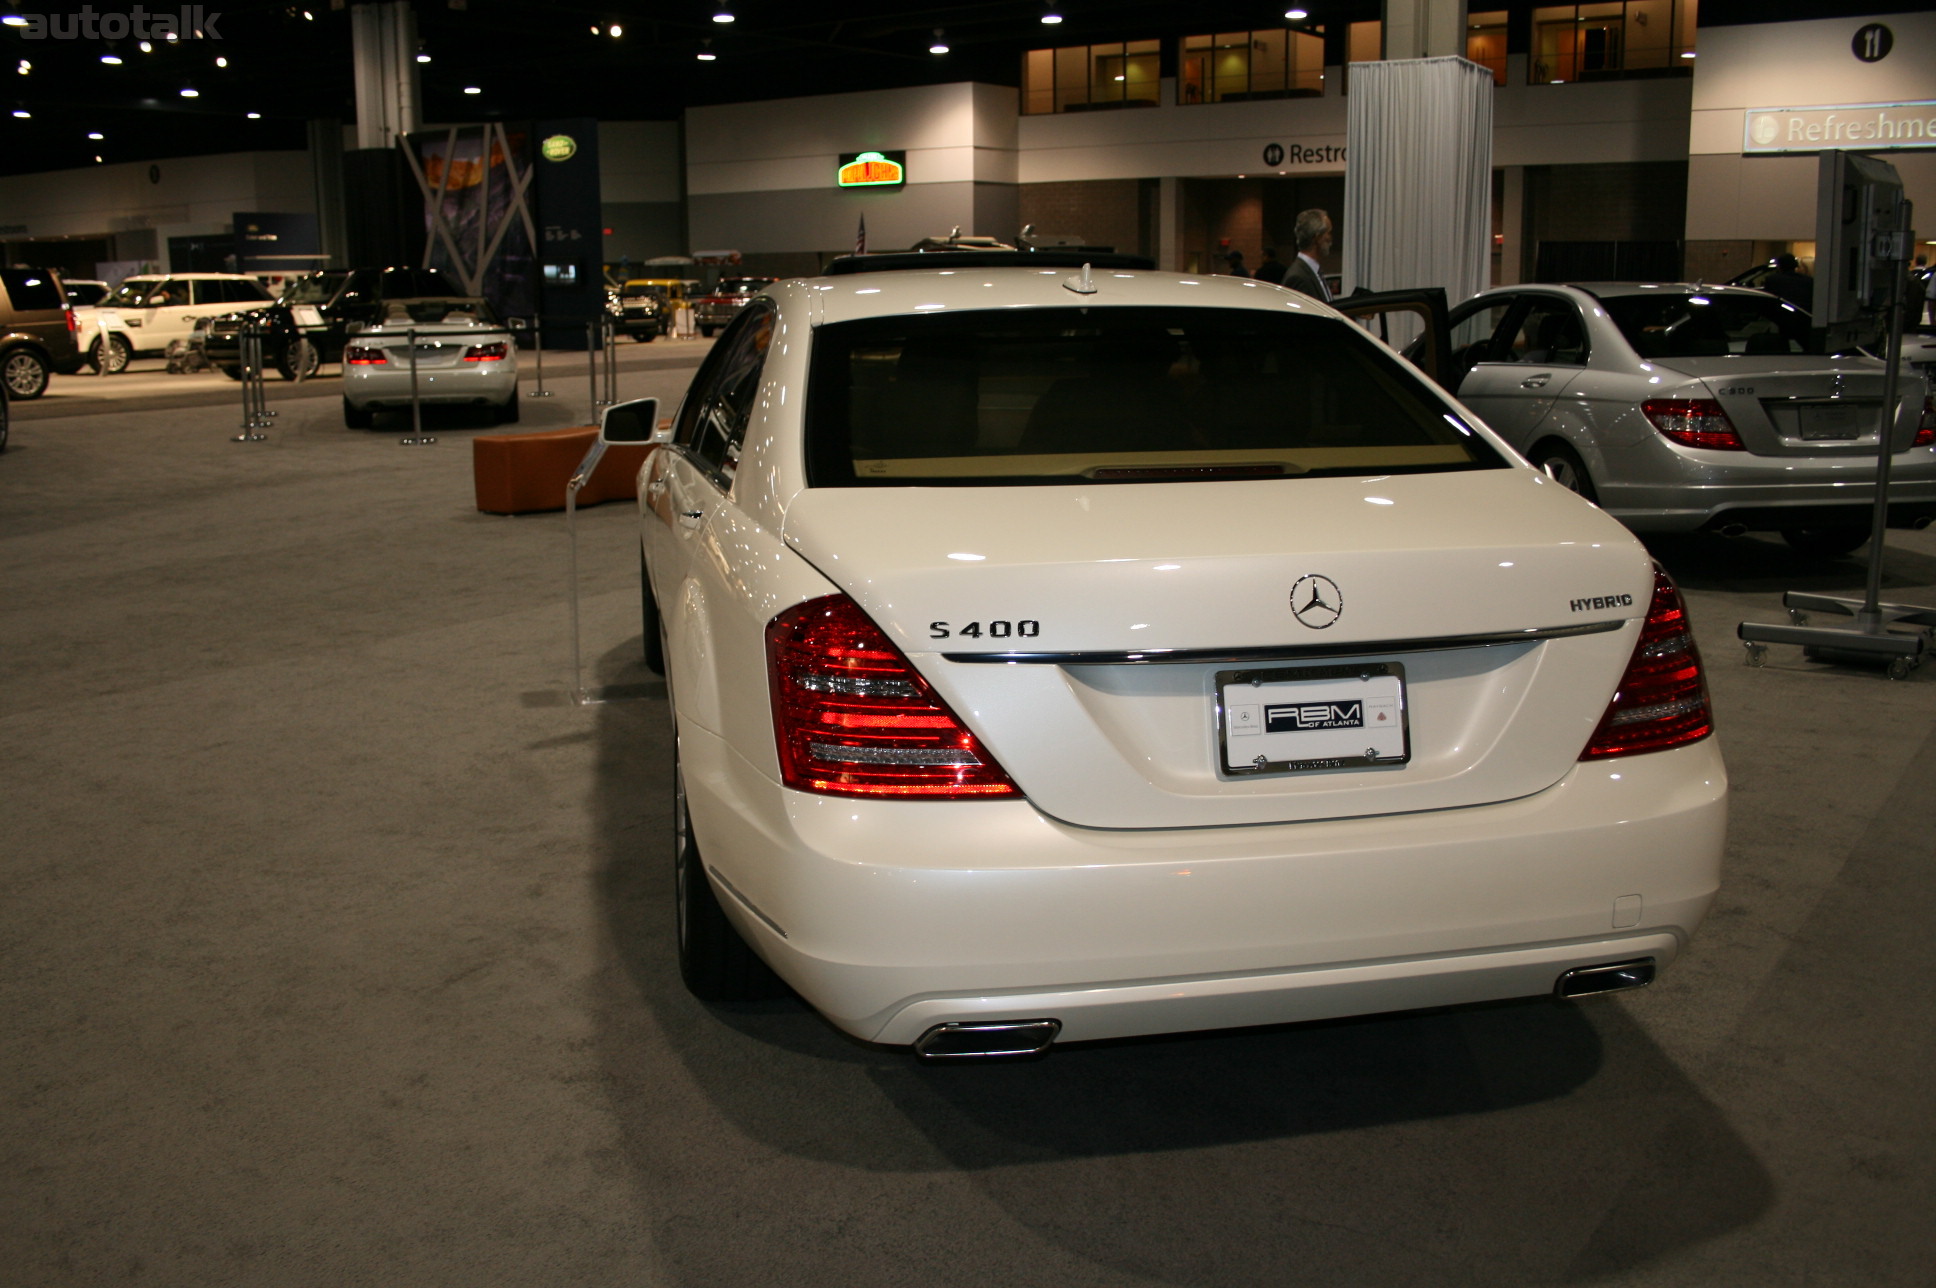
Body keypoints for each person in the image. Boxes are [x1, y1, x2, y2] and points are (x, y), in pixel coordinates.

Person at [1284, 209, 1333, 301]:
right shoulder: (1297, 277)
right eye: (1329, 233)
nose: (1331, 239)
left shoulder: (1312, 272)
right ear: (1318, 238)